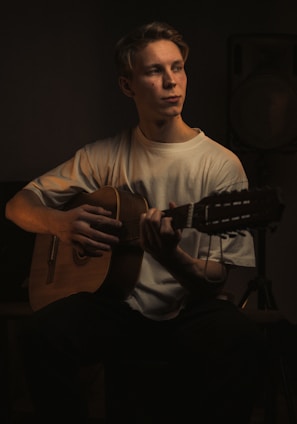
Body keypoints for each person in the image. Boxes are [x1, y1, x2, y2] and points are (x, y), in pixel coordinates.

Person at [6, 21, 267, 424]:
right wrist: (59, 224)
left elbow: (214, 279)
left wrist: (171, 257)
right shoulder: (103, 155)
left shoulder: (219, 165)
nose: (171, 82)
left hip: (187, 309)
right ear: (127, 85)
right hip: (118, 308)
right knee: (38, 335)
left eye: (177, 68)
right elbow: (17, 205)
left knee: (242, 338)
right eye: (154, 71)